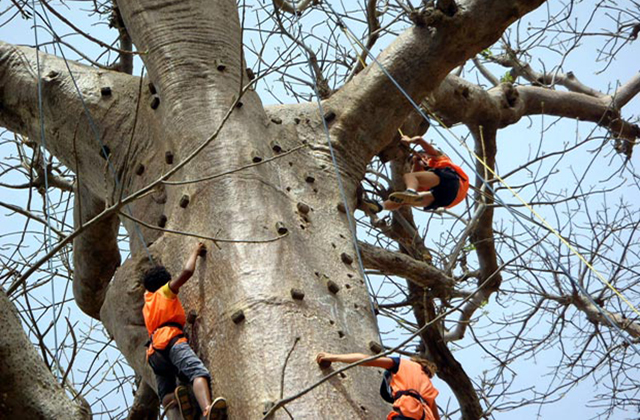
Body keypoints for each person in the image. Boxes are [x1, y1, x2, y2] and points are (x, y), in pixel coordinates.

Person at [142, 242, 227, 420]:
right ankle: (206, 409)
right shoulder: (164, 292)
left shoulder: (147, 302)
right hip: (171, 341)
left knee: (165, 394)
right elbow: (187, 272)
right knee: (198, 372)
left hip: (154, 354)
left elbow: (149, 286)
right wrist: (195, 251)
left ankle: (182, 400)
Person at [315, 352, 440, 420]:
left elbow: (366, 359)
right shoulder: (428, 386)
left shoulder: (403, 364)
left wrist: (332, 357)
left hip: (406, 415)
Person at [383, 135, 469, 212]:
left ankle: (410, 191)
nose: (424, 158)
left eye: (424, 155)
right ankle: (380, 206)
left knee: (408, 176)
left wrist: (409, 140)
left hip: (451, 182)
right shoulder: (427, 176)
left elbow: (420, 140)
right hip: (446, 199)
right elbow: (417, 178)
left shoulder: (438, 160)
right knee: (404, 200)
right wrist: (416, 161)